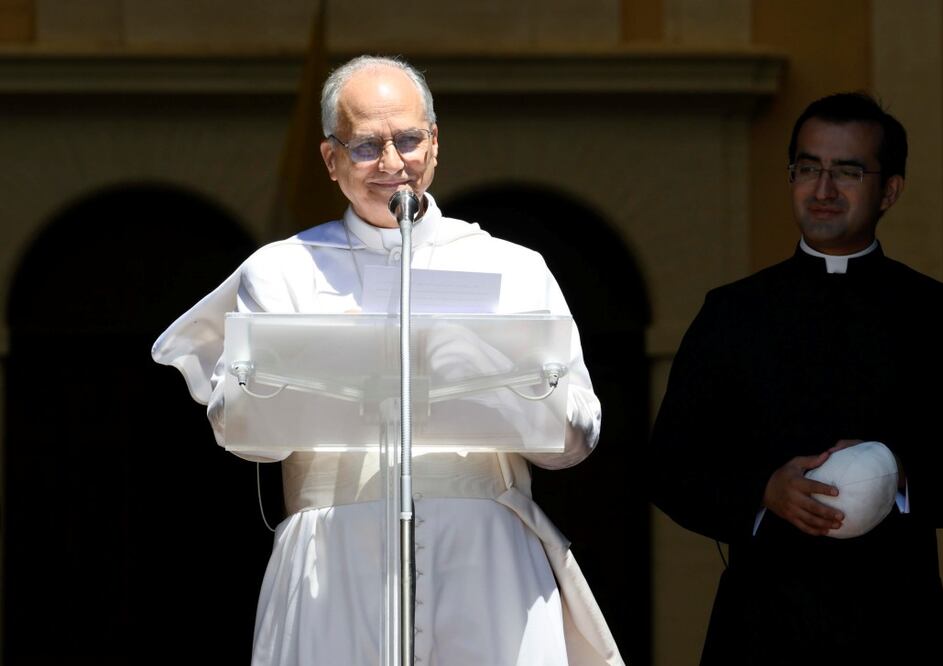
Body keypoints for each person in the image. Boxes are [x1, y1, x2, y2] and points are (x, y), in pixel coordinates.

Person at [152, 56, 622, 666]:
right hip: (334, 559)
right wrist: (330, 358)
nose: (393, 164)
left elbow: (575, 439)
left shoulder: (514, 267)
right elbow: (247, 439)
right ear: (331, 159)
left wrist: (488, 372)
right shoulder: (282, 270)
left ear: (434, 143)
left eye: (407, 139)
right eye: (367, 145)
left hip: (485, 562)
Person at [648, 92, 943, 665]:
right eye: (808, 168)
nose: (822, 190)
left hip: (900, 627)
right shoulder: (732, 313)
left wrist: (896, 476)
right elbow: (669, 466)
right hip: (761, 628)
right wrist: (764, 490)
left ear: (889, 190)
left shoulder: (939, 315)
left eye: (847, 171)